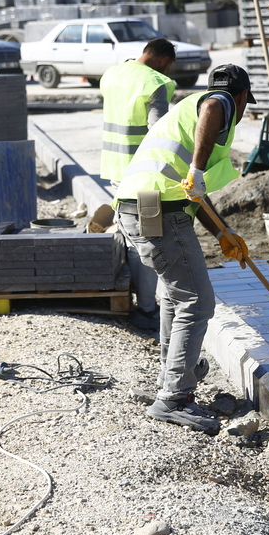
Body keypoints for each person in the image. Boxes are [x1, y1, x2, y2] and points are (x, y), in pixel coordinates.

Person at [113, 64, 251, 434]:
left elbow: (194, 192)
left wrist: (223, 232)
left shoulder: (185, 111)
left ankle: (172, 374)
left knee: (176, 297)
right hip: (160, 210)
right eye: (243, 102)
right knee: (197, 301)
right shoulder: (217, 103)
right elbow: (214, 109)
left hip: (138, 206)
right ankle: (174, 398)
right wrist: (199, 167)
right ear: (242, 97)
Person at [98, 38, 177, 331]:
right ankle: (145, 309)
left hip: (114, 169)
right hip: (142, 177)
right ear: (165, 60)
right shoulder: (156, 82)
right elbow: (160, 135)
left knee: (130, 236)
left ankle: (136, 300)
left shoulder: (112, 74)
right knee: (148, 242)